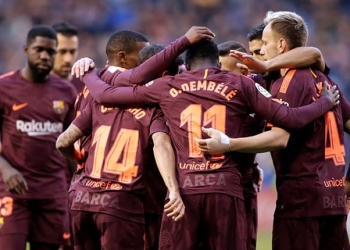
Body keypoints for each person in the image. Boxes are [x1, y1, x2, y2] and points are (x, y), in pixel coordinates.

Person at [76, 36, 339, 249]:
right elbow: (290, 119)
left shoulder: (167, 85)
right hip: (226, 190)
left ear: (187, 65)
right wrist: (324, 103)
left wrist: (89, 71)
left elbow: (106, 94)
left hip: (184, 190)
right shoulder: (242, 83)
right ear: (216, 62)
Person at [197, 11, 350, 250]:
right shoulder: (326, 81)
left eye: (264, 46)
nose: (258, 57)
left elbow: (280, 138)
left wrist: (228, 143)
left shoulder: (289, 81)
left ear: (280, 44)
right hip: (334, 201)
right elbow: (315, 54)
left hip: (302, 202)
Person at [68, 27, 214, 250]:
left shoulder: (95, 82)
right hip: (131, 198)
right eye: (143, 58)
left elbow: (63, 141)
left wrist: (80, 162)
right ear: (123, 58)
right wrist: (183, 41)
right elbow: (161, 143)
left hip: (85, 192)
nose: (147, 64)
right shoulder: (140, 96)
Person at [0, 25, 77, 250]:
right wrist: (6, 170)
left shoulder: (66, 91)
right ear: (26, 49)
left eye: (50, 51)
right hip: (14, 189)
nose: (45, 56)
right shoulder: (4, 87)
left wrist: (76, 186)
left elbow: (72, 145)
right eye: (39, 49)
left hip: (53, 192)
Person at [51, 21, 84, 93]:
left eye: (72, 52)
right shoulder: (36, 86)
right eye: (62, 52)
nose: (68, 59)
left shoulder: (85, 86)